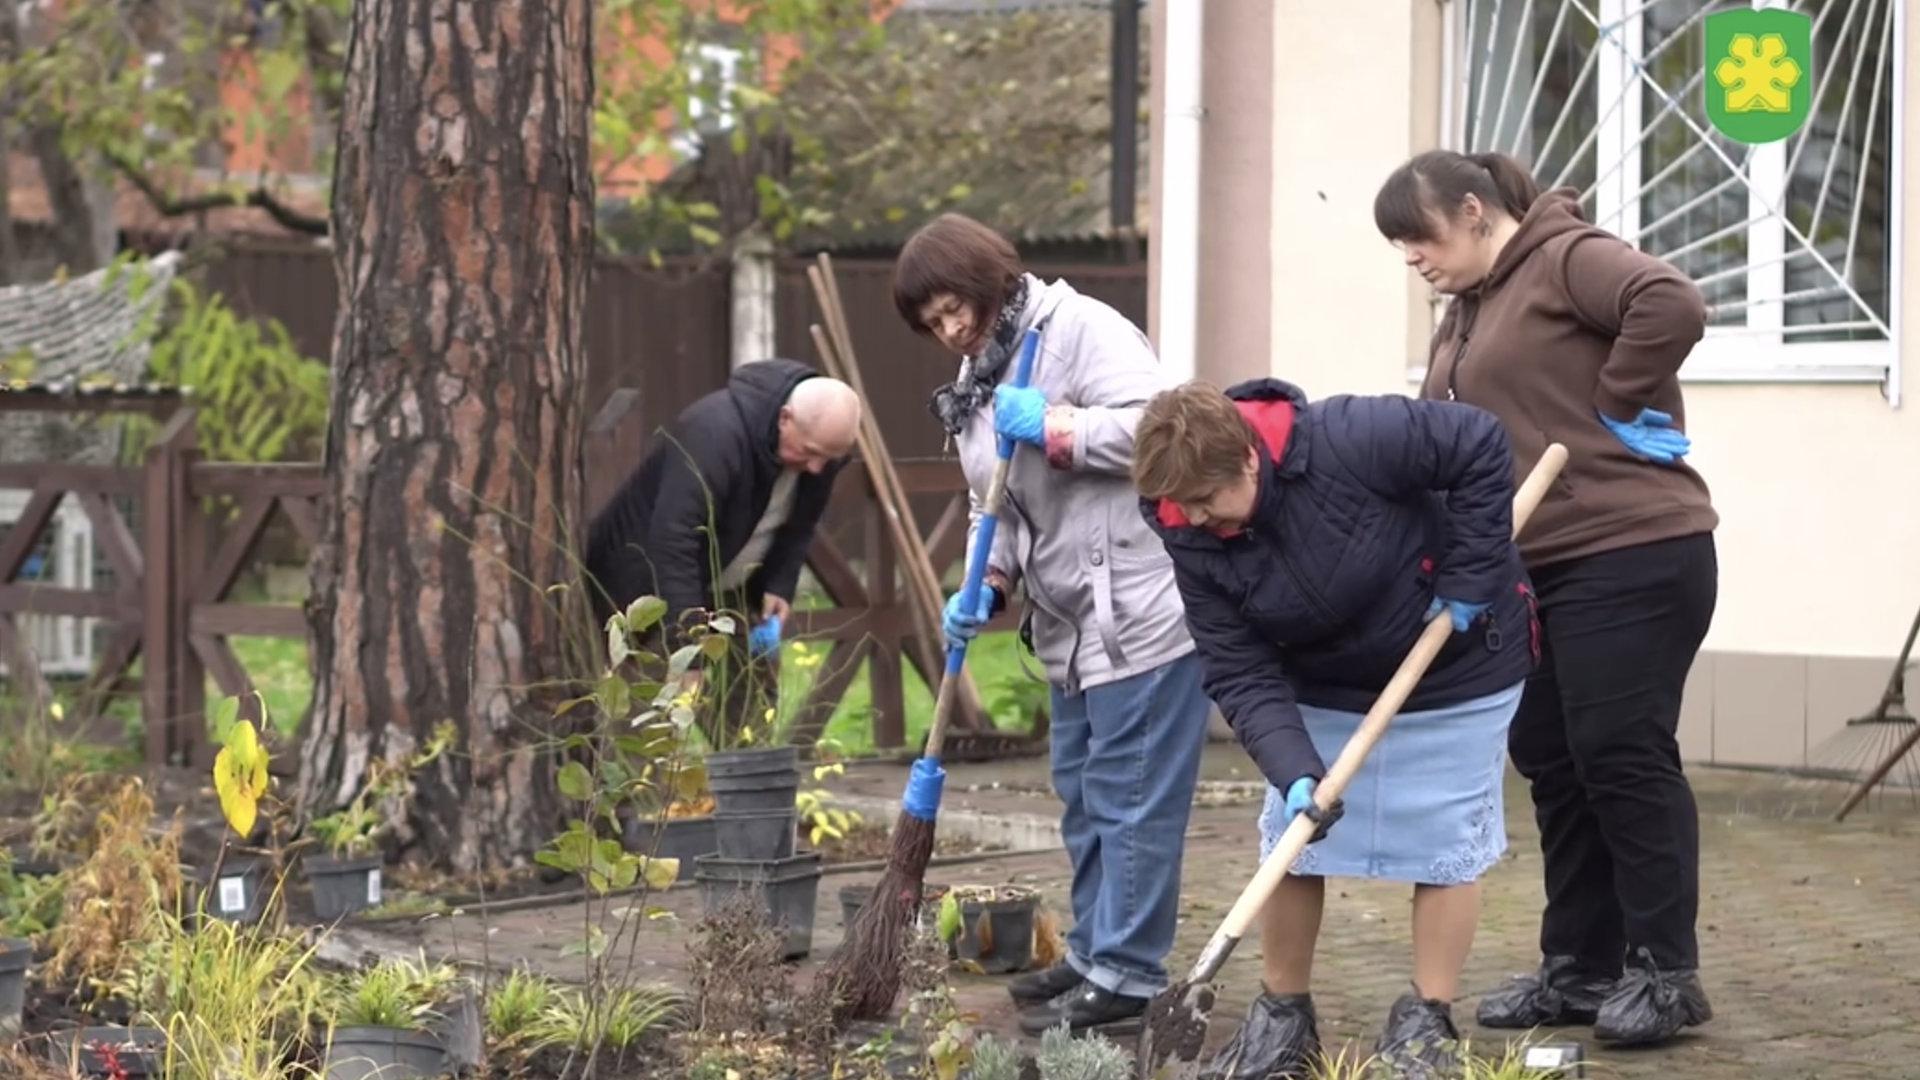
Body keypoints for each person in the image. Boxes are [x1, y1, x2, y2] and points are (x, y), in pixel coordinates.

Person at [1373, 149, 1719, 1048]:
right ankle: (1580, 967)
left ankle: (1664, 971)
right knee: (1553, 760)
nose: (1412, 256)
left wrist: (1617, 396)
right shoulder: (1467, 311)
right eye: (1401, 247)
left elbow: (1672, 303)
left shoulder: (1567, 255)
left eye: (1421, 237)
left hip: (1634, 549)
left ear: (1477, 211)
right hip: (1536, 568)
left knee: (1620, 751)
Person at [1133, 378, 1537, 1078]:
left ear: (1251, 462)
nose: (1196, 518)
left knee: (1445, 840)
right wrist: (1293, 768)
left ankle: (1425, 1021)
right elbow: (1236, 666)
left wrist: (1469, 578)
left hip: (1454, 659)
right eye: (1183, 506)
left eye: (1207, 501)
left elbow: (1479, 443)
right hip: (1320, 677)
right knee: (1293, 842)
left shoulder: (1352, 436)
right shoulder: (1188, 532)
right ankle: (1284, 1018)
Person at [892, 213, 1210, 1036]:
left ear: (986, 273)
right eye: (932, 324)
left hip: (1141, 612)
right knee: (1082, 796)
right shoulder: (976, 379)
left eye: (955, 306)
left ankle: (1130, 976)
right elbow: (987, 501)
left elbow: (1166, 432)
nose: (952, 328)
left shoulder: (1082, 331)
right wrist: (985, 582)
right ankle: (1096, 949)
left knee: (1131, 798)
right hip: (1068, 628)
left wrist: (1061, 427)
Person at [583, 359, 860, 743]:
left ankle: (750, 787)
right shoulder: (714, 434)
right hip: (651, 589)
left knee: (751, 702)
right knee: (648, 716)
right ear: (785, 418)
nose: (817, 468)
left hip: (735, 586)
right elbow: (673, 541)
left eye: (829, 459)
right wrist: (687, 650)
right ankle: (640, 799)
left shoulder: (821, 450)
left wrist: (780, 581)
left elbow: (801, 525)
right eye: (811, 452)